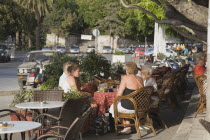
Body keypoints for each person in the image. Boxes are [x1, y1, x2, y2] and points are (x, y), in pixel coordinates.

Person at [109, 62, 144, 134]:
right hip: (140, 106)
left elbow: (119, 95)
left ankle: (127, 126)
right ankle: (128, 125)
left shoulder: (125, 78)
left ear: (127, 69)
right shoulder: (140, 79)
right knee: (121, 104)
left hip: (130, 106)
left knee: (113, 107)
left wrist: (117, 99)